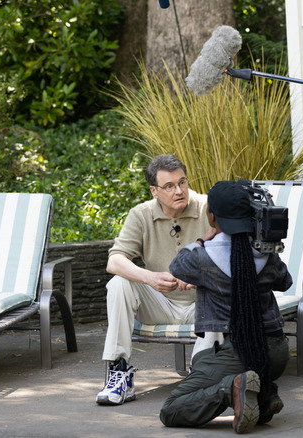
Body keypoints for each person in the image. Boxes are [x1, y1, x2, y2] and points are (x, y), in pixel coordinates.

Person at [159, 180, 292, 434]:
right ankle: (264, 392)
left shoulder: (202, 257)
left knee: (171, 409)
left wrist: (201, 240)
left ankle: (232, 388)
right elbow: (285, 281)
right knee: (211, 363)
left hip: (235, 353)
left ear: (211, 216)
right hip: (275, 354)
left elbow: (178, 265)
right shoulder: (267, 255)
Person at [96, 154, 215, 406]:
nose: (179, 190)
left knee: (221, 293)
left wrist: (200, 274)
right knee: (119, 281)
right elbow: (114, 261)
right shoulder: (141, 214)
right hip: (160, 304)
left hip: (202, 305)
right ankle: (118, 372)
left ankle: (201, 373)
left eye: (182, 182)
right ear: (154, 191)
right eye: (169, 186)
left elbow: (232, 254)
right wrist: (150, 278)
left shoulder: (208, 208)